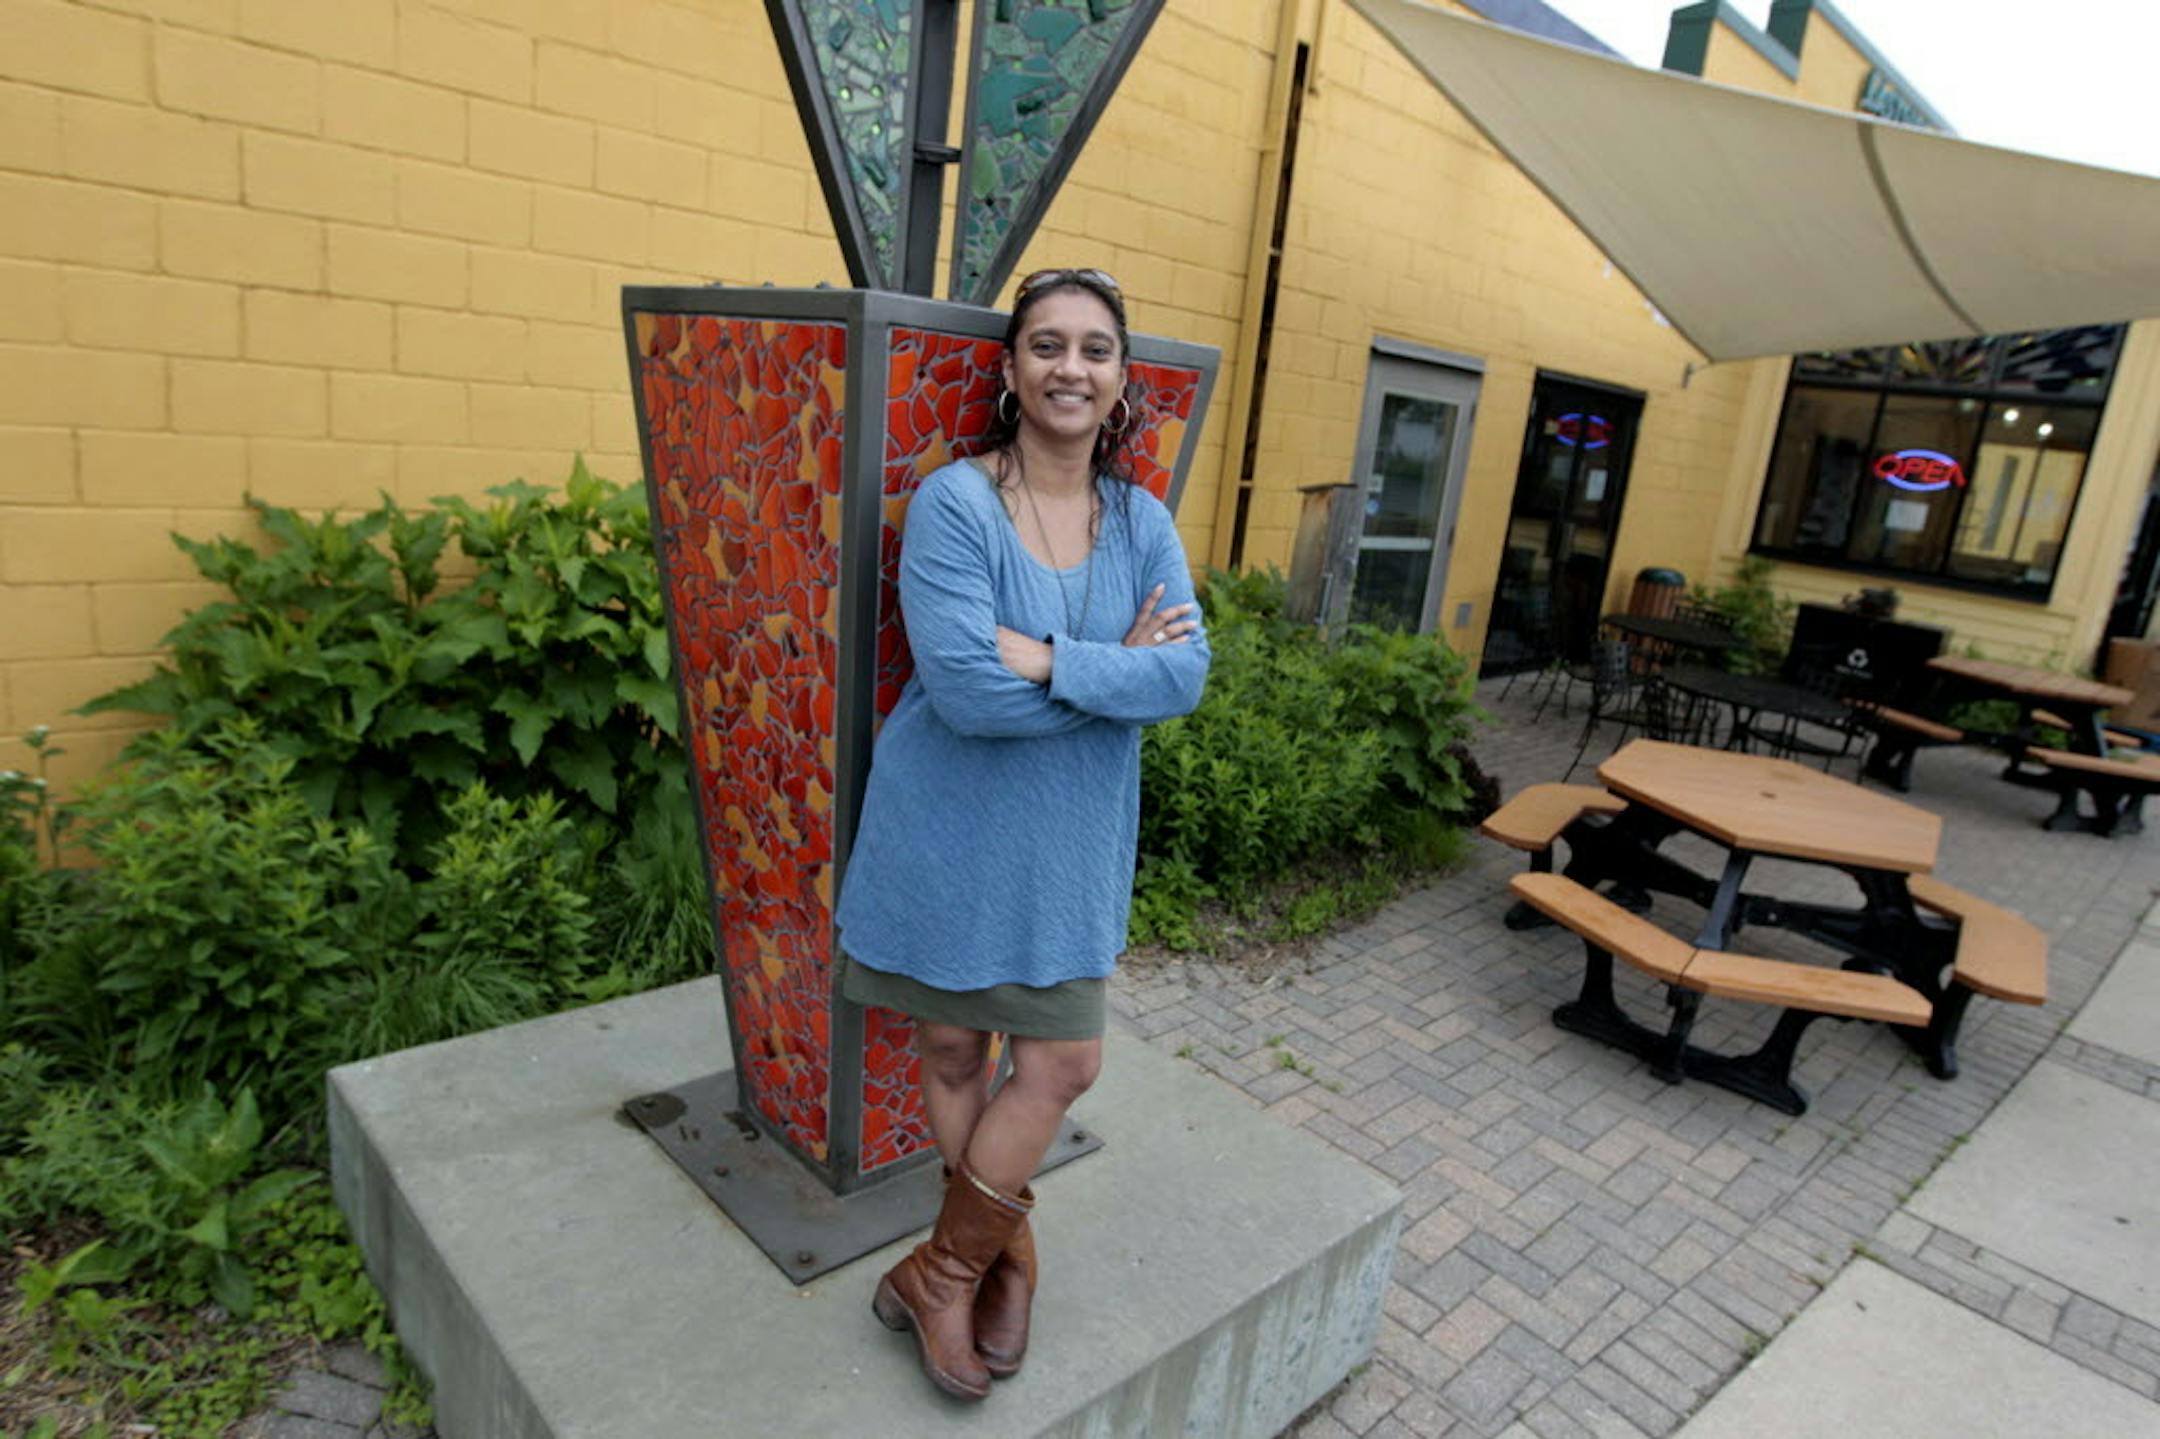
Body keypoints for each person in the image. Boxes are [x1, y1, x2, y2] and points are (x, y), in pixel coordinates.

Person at [834, 268, 1210, 1401]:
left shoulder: (1141, 519)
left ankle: (941, 1267)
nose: (1070, 368)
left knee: (1061, 1059)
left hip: (1066, 850)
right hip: (949, 829)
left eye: (1094, 349)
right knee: (953, 1052)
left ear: (1121, 378)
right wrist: (1113, 671)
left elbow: (1184, 672)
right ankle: (993, 1260)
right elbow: (961, 690)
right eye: (1046, 345)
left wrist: (1045, 654)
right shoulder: (957, 503)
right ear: (1010, 369)